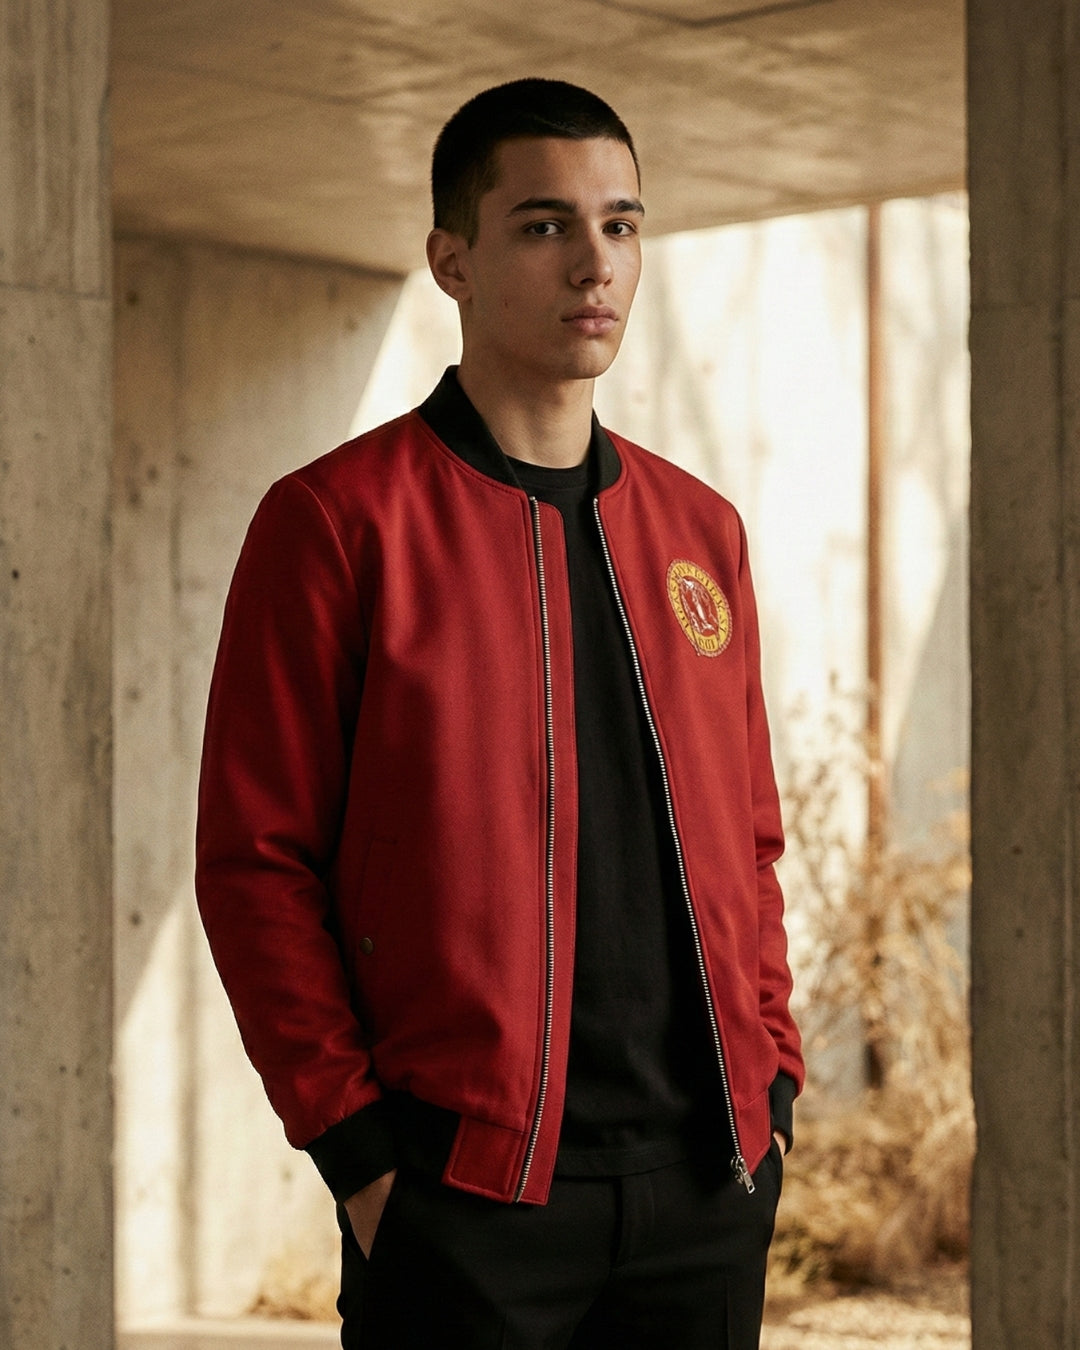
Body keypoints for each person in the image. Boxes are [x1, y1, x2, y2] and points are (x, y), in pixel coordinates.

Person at [195, 77, 803, 1349]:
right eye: (544, 225)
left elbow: (751, 844)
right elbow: (255, 864)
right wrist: (359, 1154)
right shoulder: (337, 525)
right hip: (464, 1199)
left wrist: (774, 1087)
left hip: (706, 1189)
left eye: (621, 224)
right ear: (452, 262)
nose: (595, 263)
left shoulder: (701, 533)